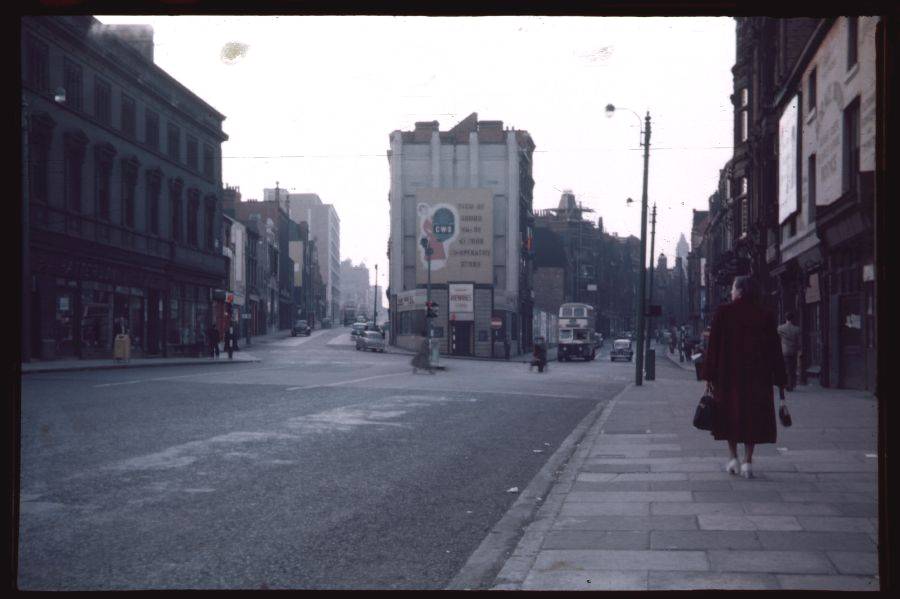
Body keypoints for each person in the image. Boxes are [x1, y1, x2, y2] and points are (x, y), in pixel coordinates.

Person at [701, 275, 787, 479]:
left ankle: (733, 459)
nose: (731, 292)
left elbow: (713, 348)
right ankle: (748, 461)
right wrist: (781, 379)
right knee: (753, 417)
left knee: (729, 415)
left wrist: (709, 376)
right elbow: (775, 350)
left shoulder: (724, 312)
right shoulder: (766, 315)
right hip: (758, 377)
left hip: (728, 377)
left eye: (733, 288)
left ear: (739, 291)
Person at [777, 312, 801, 391]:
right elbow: (799, 341)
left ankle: (786, 384)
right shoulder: (797, 329)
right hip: (794, 351)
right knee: (792, 368)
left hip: (784, 350)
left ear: (785, 318)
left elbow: (777, 338)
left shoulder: (780, 328)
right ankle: (791, 384)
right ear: (793, 319)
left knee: (786, 368)